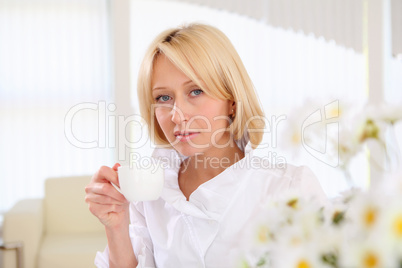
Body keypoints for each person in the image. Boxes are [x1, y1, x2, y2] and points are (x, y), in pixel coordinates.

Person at [85, 23, 327, 268]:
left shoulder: (290, 188)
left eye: (196, 91)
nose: (177, 116)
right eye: (164, 98)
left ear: (232, 101)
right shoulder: (149, 195)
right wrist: (116, 226)